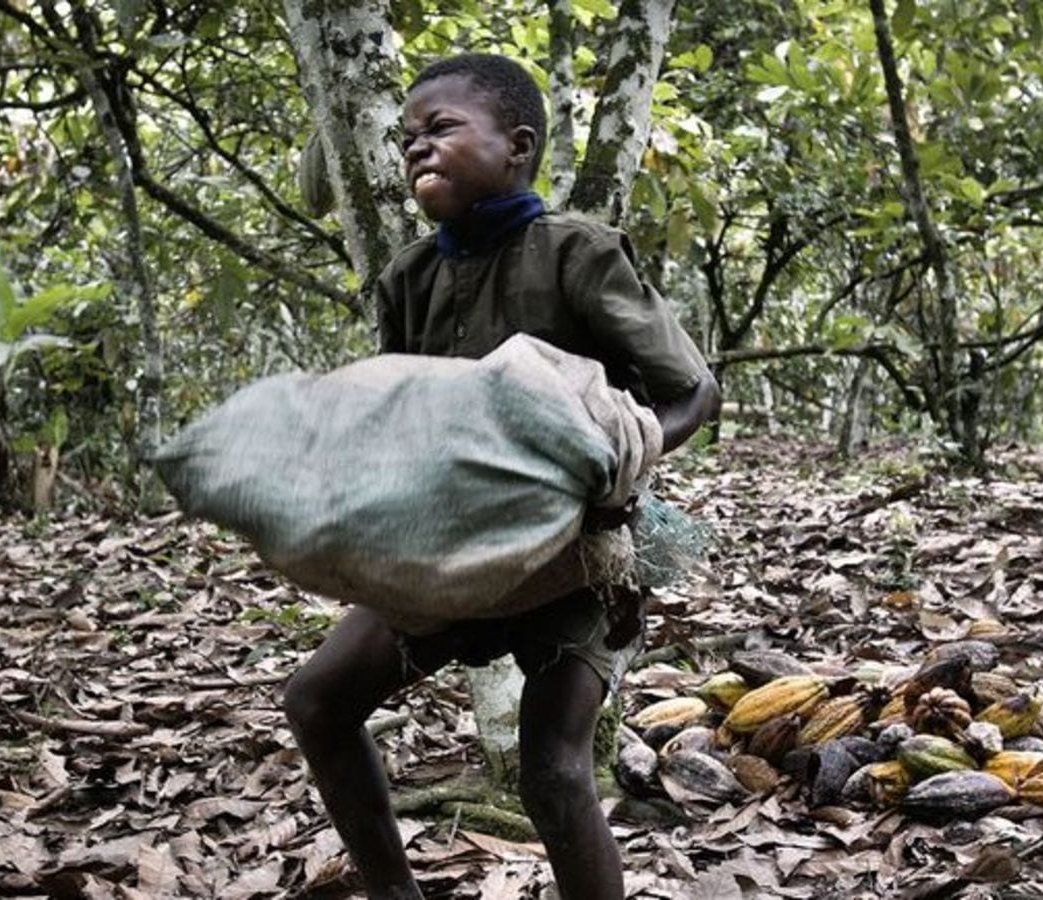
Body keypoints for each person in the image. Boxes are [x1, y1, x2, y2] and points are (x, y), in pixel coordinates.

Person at [281, 52, 720, 900]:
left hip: (577, 558)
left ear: (516, 148)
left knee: (553, 773)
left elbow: (693, 391)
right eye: (406, 137)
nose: (416, 148)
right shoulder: (411, 275)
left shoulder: (575, 254)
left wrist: (616, 462)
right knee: (318, 701)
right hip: (460, 550)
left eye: (440, 129)